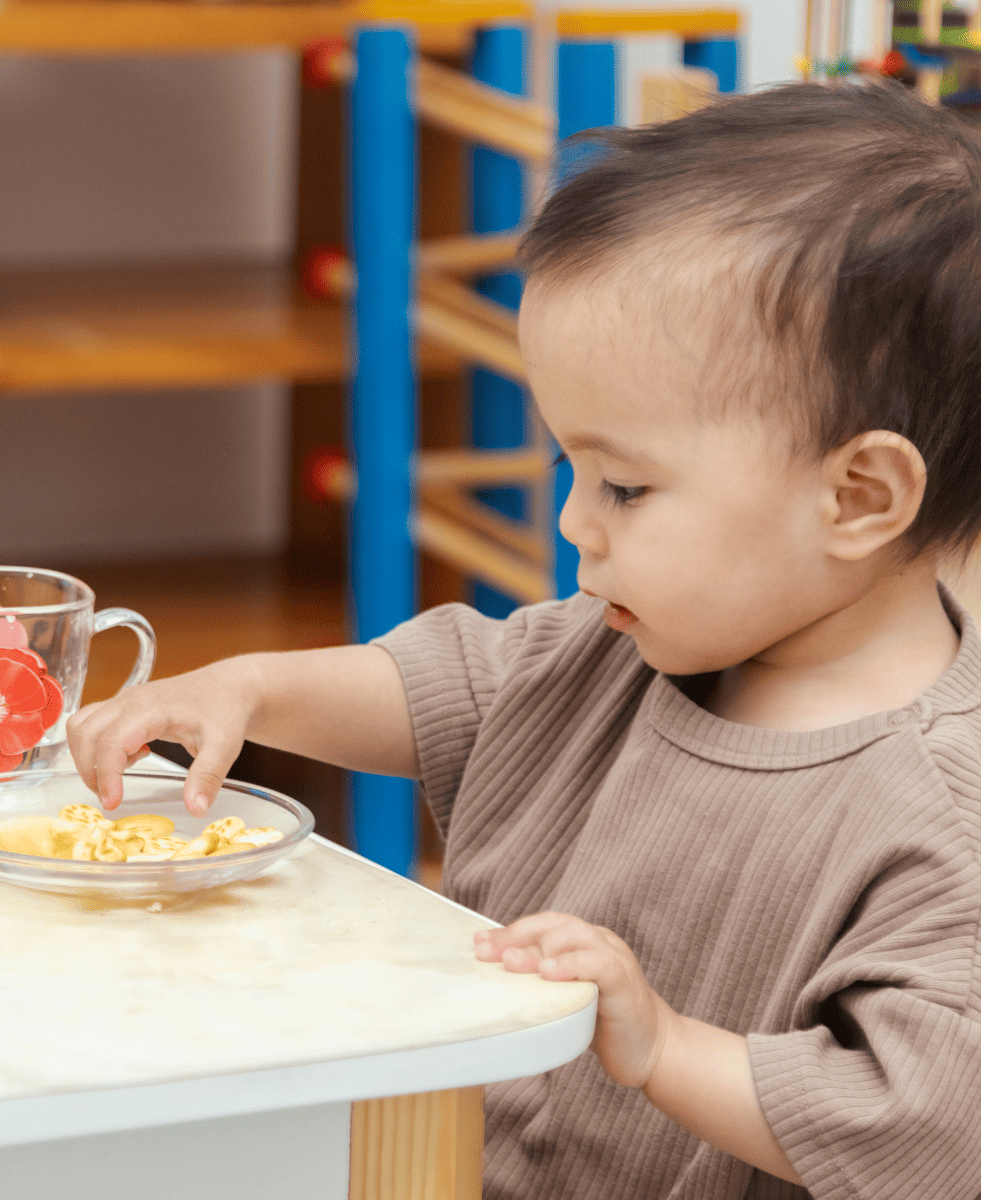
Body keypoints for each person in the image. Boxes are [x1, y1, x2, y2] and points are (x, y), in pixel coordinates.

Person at [68, 82, 981, 1198]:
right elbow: (445, 686)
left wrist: (666, 1048)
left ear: (859, 495)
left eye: (627, 486)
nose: (573, 521)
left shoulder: (941, 811)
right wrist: (248, 692)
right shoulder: (630, 647)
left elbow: (928, 1126)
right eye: (570, 469)